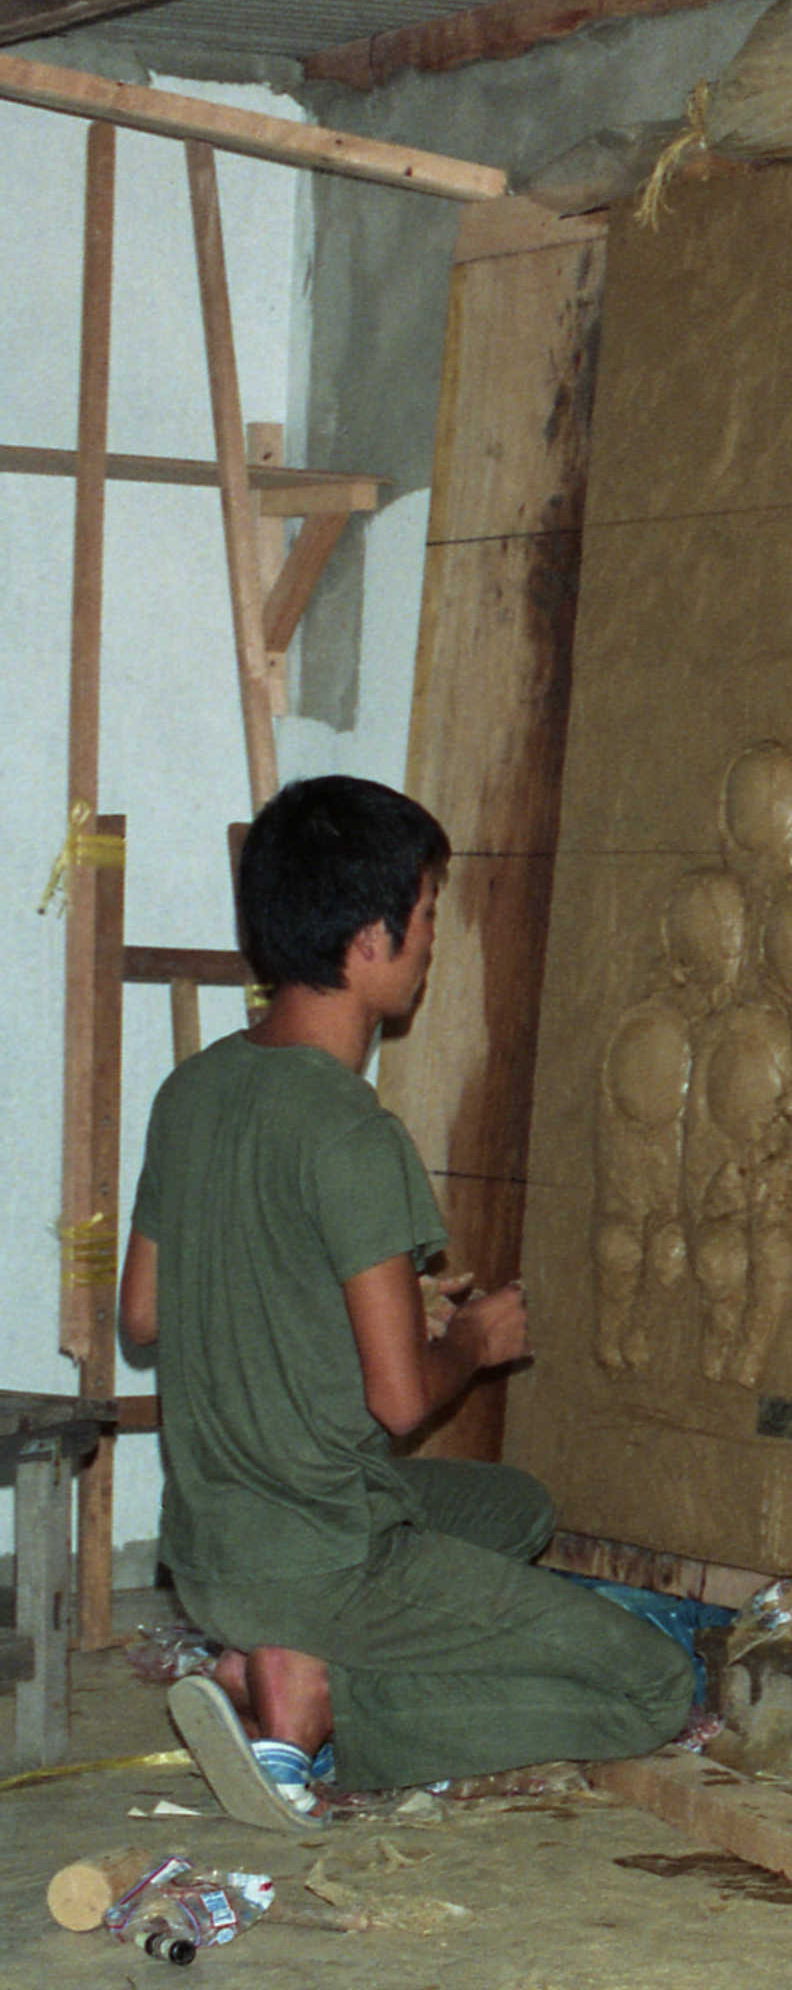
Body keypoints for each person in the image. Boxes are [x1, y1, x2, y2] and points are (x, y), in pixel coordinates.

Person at [120, 775, 694, 1828]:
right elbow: (399, 1403)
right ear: (369, 940)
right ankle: (327, 1702)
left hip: (206, 1552)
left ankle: (261, 1658)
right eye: (426, 915)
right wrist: (470, 1340)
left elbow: (146, 1316)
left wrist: (354, 1306)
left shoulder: (192, 1089)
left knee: (515, 1510)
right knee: (651, 1689)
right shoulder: (352, 1133)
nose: (432, 941)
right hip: (323, 1562)